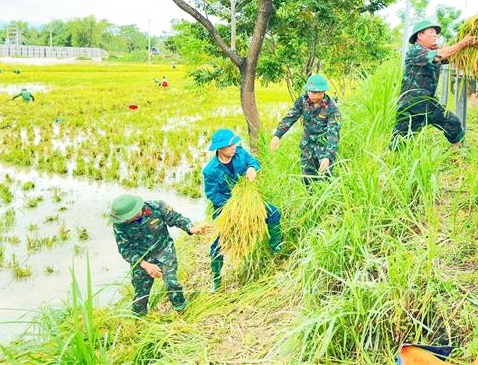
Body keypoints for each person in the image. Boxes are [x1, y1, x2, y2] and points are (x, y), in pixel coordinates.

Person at [202, 129, 282, 290]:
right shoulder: (210, 170)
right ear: (220, 148)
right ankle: (216, 280)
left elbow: (253, 163)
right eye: (229, 145)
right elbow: (212, 194)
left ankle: (277, 249)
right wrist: (234, 207)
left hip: (249, 200)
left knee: (274, 213)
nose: (234, 147)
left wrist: (252, 168)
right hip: (226, 209)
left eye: (234, 144)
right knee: (218, 243)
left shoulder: (240, 153)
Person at [110, 194, 206, 317]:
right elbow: (125, 250)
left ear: (135, 211)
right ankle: (138, 321)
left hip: (164, 251)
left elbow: (176, 218)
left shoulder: (157, 207)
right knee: (140, 295)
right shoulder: (120, 224)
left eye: (127, 218)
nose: (125, 221)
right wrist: (145, 265)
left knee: (172, 283)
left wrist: (192, 229)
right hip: (141, 259)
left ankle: (182, 311)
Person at [391, 20, 477, 148]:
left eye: (436, 33)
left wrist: (469, 46)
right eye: (431, 32)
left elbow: (449, 54)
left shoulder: (429, 52)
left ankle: (457, 157)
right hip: (413, 102)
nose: (435, 35)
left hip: (422, 103)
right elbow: (440, 55)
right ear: (420, 36)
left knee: (452, 124)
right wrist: (464, 42)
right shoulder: (416, 50)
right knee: (400, 140)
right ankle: (393, 162)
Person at [270, 74, 341, 185]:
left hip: (323, 146)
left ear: (323, 92)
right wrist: (277, 135)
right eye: (309, 91)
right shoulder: (303, 101)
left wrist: (328, 157)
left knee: (325, 179)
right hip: (307, 144)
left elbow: (333, 134)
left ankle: (323, 202)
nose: (311, 95)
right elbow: (290, 117)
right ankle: (309, 201)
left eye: (315, 92)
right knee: (307, 178)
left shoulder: (332, 109)